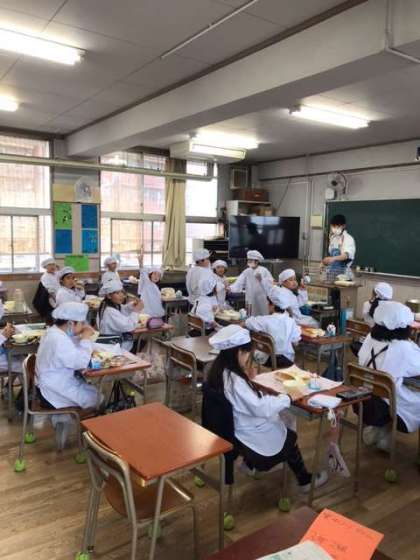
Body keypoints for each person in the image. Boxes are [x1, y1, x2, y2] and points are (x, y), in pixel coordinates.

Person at [207, 325, 328, 491]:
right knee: (290, 437)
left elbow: (247, 402)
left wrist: (252, 386)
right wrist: (287, 397)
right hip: (247, 433)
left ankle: (249, 465)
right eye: (247, 354)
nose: (247, 358)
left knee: (282, 417)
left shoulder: (219, 371)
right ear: (238, 352)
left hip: (233, 429)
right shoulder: (235, 381)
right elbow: (260, 408)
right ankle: (305, 481)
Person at [356, 301, 420, 451]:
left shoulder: (369, 338)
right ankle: (384, 436)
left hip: (363, 399)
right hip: (387, 406)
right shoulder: (403, 348)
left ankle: (380, 433)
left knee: (392, 390)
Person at [35, 302, 98, 410]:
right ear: (70, 323)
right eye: (82, 323)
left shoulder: (53, 331)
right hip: (54, 390)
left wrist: (82, 338)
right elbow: (80, 363)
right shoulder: (59, 339)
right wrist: (86, 337)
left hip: (53, 382)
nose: (83, 326)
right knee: (97, 398)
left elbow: (70, 345)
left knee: (93, 391)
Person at [245, 286, 301, 368]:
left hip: (267, 360)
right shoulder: (291, 322)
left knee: (249, 350)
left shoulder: (264, 320)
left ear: (273, 305)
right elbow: (296, 342)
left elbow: (248, 322)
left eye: (268, 303)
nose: (267, 305)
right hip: (287, 360)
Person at [97, 279, 144, 350]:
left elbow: (123, 310)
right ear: (109, 296)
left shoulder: (109, 304)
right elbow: (129, 326)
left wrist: (132, 306)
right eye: (117, 293)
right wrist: (136, 311)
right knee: (142, 343)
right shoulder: (109, 311)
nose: (122, 295)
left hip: (114, 341)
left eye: (122, 292)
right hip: (113, 346)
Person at [230, 250, 273, 316]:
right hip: (250, 297)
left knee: (264, 314)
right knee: (250, 314)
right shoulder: (246, 271)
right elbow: (239, 282)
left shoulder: (264, 270)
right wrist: (230, 288)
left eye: (251, 260)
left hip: (262, 298)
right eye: (249, 260)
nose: (249, 262)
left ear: (257, 261)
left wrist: (262, 279)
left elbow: (271, 283)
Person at [137, 251, 165, 318]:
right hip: (147, 311)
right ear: (150, 275)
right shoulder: (148, 283)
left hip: (154, 310)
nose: (156, 277)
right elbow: (142, 271)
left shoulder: (155, 286)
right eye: (154, 274)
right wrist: (140, 262)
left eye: (158, 275)